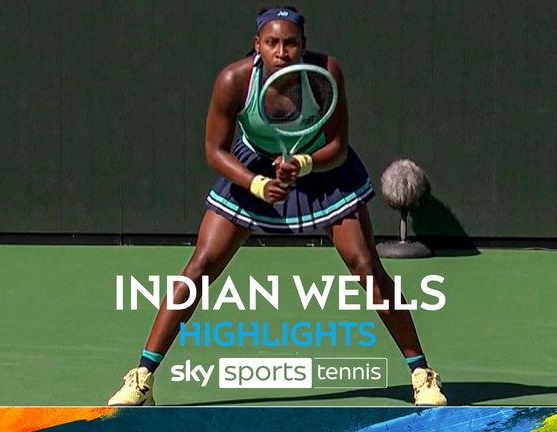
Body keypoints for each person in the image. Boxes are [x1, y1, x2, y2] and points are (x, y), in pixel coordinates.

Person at [108, 5, 447, 407]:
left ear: (303, 45)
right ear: (258, 44)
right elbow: (215, 151)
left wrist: (303, 163)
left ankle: (421, 374)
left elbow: (338, 147)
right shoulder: (233, 81)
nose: (282, 51)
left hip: (323, 170)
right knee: (200, 267)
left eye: (290, 43)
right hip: (250, 169)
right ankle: (143, 376)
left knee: (367, 268)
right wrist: (256, 182)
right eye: (272, 43)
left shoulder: (324, 74)